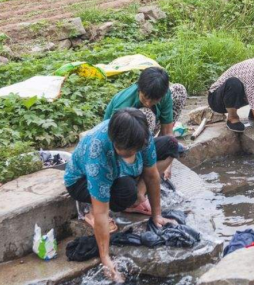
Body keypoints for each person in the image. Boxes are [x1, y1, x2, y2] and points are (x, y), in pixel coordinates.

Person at [64, 108, 176, 282]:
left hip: (119, 171)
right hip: (81, 181)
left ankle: (135, 197)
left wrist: (157, 215)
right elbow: (102, 212)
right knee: (126, 191)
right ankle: (89, 209)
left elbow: (152, 174)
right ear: (115, 142)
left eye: (135, 151)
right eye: (128, 151)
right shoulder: (98, 151)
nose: (133, 154)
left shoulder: (141, 135)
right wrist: (105, 257)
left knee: (170, 144)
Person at [104, 67, 187, 182]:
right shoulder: (124, 103)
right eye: (145, 98)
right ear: (139, 89)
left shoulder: (164, 95)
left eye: (153, 101)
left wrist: (168, 161)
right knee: (146, 114)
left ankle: (154, 148)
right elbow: (114, 141)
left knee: (179, 90)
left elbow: (168, 132)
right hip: (126, 137)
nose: (148, 103)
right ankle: (144, 157)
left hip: (150, 127)